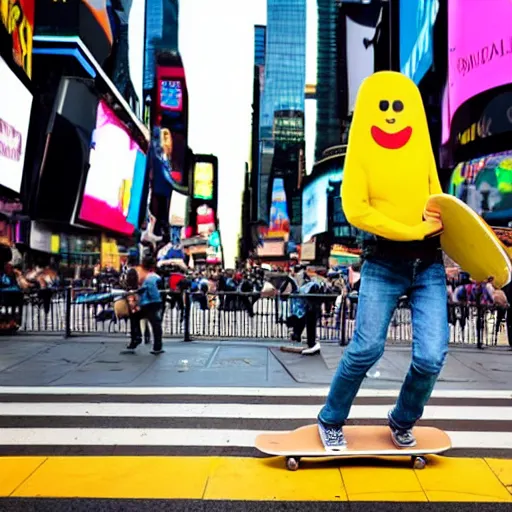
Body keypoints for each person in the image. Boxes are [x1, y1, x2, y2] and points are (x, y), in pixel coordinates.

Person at [317, 71, 447, 451]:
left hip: (429, 266)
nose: (391, 115)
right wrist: (412, 231)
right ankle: (330, 418)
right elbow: (356, 209)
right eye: (384, 107)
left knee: (431, 356)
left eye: (399, 107)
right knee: (366, 348)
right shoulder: (361, 158)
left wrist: (473, 252)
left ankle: (402, 419)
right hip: (384, 264)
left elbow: (439, 204)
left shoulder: (422, 150)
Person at [127, 255, 164, 355]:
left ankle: (137, 338)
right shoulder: (155, 277)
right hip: (154, 303)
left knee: (136, 317)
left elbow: (152, 293)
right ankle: (157, 346)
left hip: (149, 304)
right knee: (156, 325)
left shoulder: (149, 278)